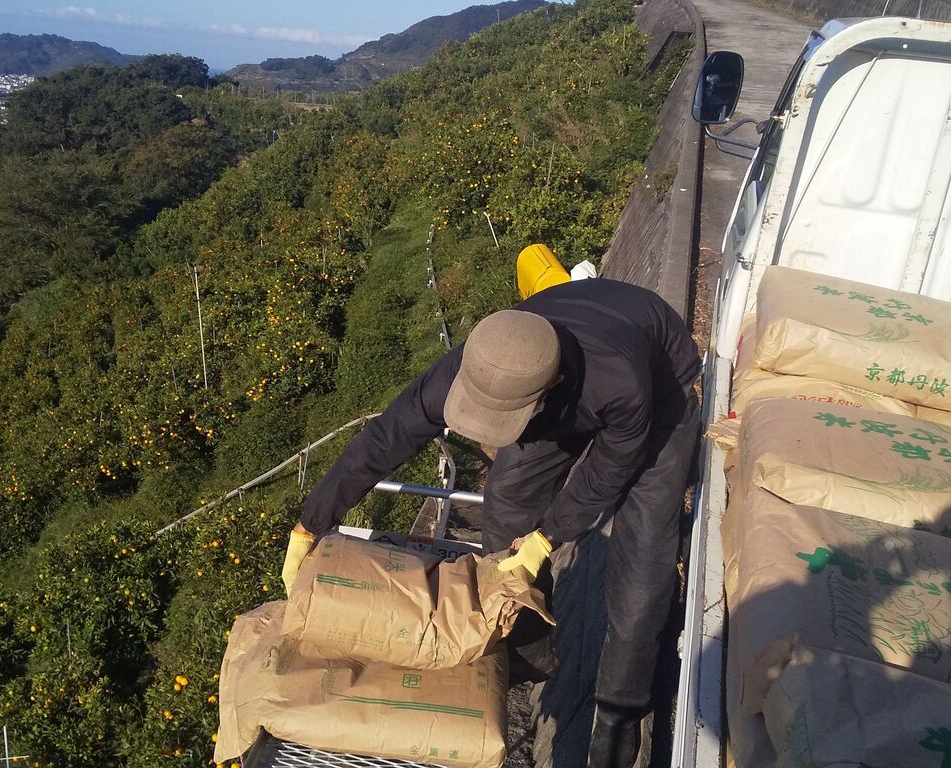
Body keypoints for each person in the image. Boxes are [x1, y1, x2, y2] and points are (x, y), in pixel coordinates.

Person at [282, 276, 700, 767]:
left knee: (641, 563)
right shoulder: (483, 361)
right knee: (505, 495)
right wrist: (311, 524)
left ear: (549, 392)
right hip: (553, 385)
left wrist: (545, 539)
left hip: (659, 387)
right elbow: (385, 439)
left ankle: (619, 711)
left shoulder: (621, 383)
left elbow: (610, 471)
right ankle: (529, 640)